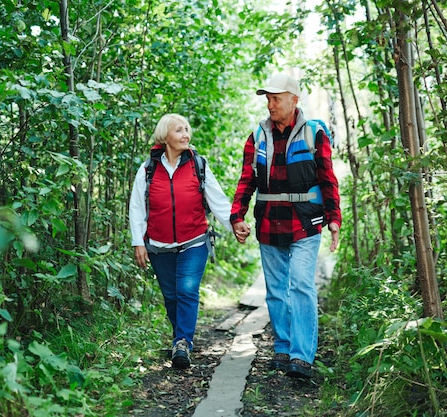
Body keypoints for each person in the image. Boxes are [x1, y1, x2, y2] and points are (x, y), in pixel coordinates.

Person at [230, 73, 341, 379]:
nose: (270, 104)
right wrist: (237, 216)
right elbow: (246, 180)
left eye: (276, 98)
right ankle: (283, 346)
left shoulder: (314, 133)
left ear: (294, 100)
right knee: (276, 291)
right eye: (268, 98)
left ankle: (302, 355)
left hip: (305, 222)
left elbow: (328, 178)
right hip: (268, 222)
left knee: (301, 285)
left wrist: (334, 218)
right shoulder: (257, 137)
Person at [129, 113, 233, 369]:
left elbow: (218, 200)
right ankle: (180, 338)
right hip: (159, 245)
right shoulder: (148, 169)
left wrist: (236, 225)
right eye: (179, 130)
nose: (186, 134)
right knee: (171, 296)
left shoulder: (199, 164)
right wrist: (138, 242)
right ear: (165, 136)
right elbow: (136, 207)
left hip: (194, 241)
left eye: (187, 129)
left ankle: (183, 342)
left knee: (186, 291)